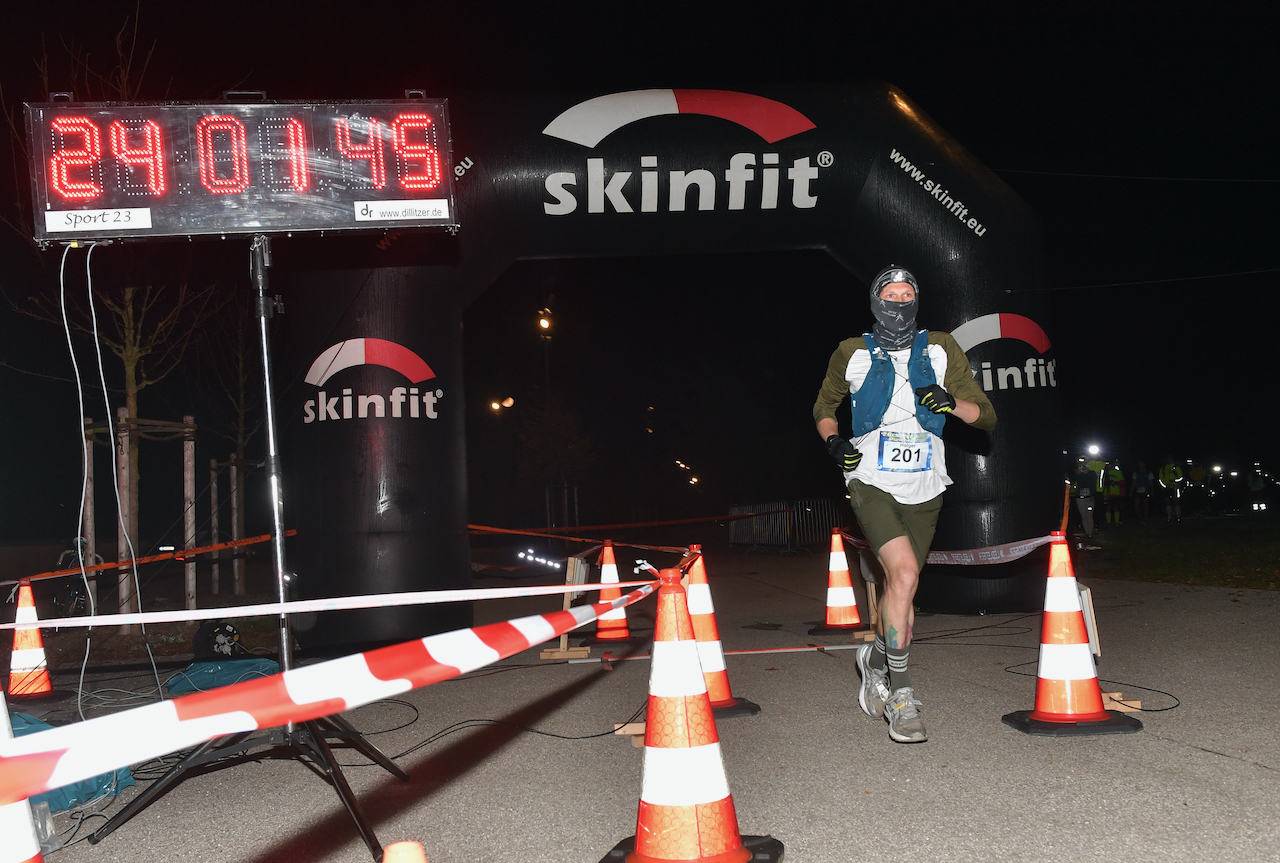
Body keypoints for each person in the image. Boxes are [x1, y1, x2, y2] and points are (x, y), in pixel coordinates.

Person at [813, 265, 996, 743]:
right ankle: (902, 691)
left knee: (903, 587)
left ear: (917, 302)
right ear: (876, 302)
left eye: (907, 295)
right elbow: (824, 408)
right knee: (907, 575)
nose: (898, 303)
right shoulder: (851, 352)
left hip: (926, 480)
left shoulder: (939, 348)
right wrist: (835, 443)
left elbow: (986, 416)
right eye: (889, 295)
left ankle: (873, 659)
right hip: (871, 476)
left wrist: (949, 403)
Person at [1074, 460, 1097, 538]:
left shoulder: (1092, 473)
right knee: (1083, 515)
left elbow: (1094, 484)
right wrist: (1077, 474)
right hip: (1080, 498)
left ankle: (1090, 533)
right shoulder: (1077, 474)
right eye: (1080, 464)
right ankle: (1087, 533)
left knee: (1089, 515)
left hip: (1090, 498)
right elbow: (1072, 481)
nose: (1083, 466)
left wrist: (1093, 494)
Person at [1158, 455, 1184, 522]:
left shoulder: (1176, 467)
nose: (1169, 460)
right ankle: (1169, 517)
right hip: (1166, 488)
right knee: (1167, 502)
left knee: (1176, 501)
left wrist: (1174, 481)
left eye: (1170, 458)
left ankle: (1178, 517)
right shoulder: (1163, 468)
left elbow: (1181, 478)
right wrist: (1165, 486)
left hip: (1175, 487)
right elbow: (1160, 479)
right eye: (1168, 459)